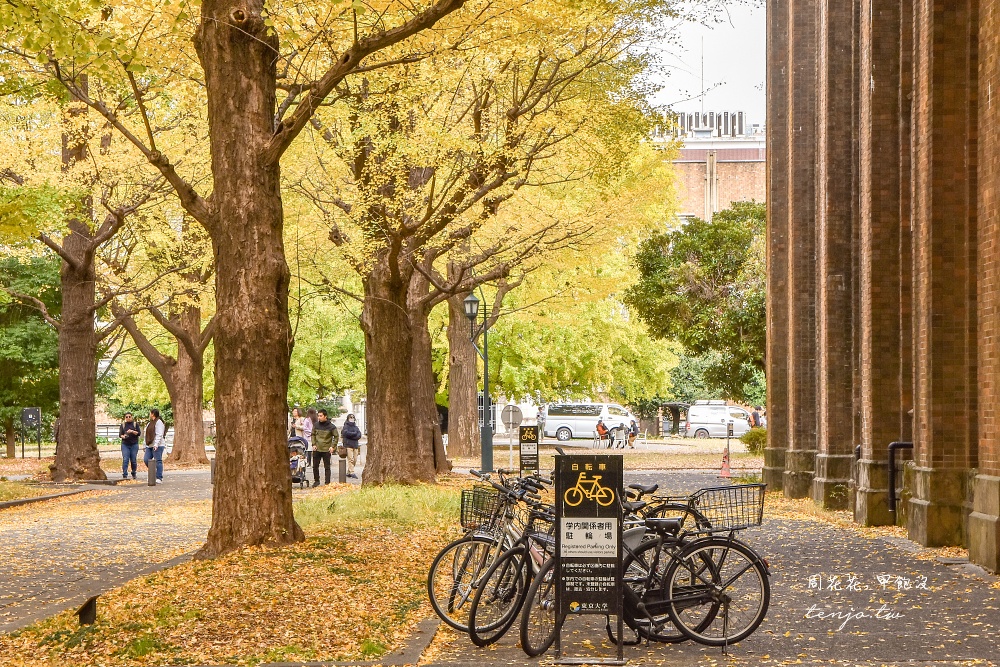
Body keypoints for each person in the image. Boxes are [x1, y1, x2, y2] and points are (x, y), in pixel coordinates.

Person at [311, 409, 338, 487]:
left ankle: (327, 482)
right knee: (315, 466)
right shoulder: (316, 425)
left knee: (327, 467)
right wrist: (313, 444)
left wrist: (333, 446)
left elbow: (336, 437)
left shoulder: (332, 427)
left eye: (321, 416)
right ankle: (316, 480)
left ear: (325, 416)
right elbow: (313, 434)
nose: (319, 417)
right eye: (318, 416)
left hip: (326, 449)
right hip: (317, 448)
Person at [144, 408, 166, 484]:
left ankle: (159, 477)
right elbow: (146, 435)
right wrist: (145, 445)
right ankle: (153, 473)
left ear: (153, 414)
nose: (149, 414)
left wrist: (156, 444)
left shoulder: (159, 422)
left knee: (158, 460)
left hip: (158, 445)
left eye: (150, 413)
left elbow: (159, 434)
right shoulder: (150, 423)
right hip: (149, 445)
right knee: (146, 459)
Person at [119, 413, 140, 479]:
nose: (128, 418)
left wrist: (132, 431)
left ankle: (134, 472)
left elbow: (139, 433)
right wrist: (124, 436)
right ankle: (125, 474)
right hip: (125, 444)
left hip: (134, 444)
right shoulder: (123, 425)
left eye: (129, 416)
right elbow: (120, 435)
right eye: (126, 417)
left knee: (133, 459)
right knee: (125, 459)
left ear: (132, 417)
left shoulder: (135, 424)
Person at [341, 413, 362, 479]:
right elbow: (346, 433)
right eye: (350, 417)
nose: (352, 418)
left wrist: (352, 436)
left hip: (355, 445)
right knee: (350, 459)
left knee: (355, 459)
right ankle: (352, 472)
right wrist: (354, 434)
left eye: (353, 417)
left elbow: (359, 435)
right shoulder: (345, 426)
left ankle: (348, 472)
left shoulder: (356, 427)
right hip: (348, 445)